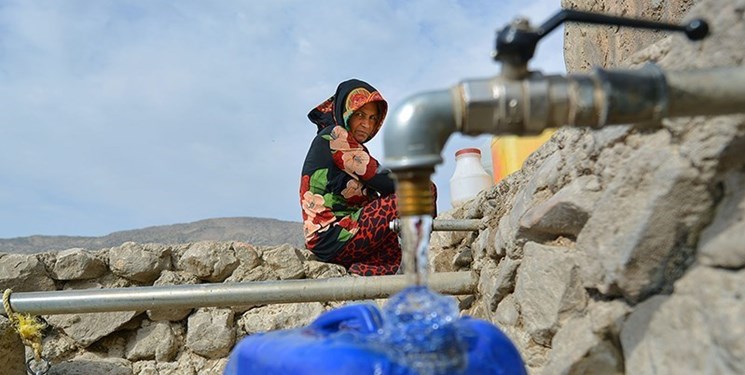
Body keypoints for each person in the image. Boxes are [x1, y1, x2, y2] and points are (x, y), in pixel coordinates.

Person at [299, 79, 402, 276]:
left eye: (373, 118)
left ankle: (364, 274)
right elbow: (382, 180)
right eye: (360, 115)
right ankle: (428, 250)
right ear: (346, 113)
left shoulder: (350, 144)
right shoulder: (335, 136)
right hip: (333, 236)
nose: (366, 124)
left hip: (338, 238)